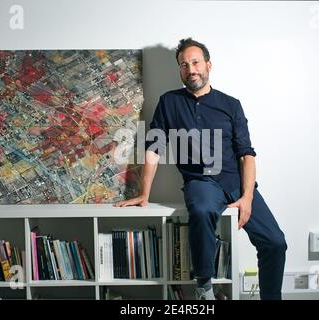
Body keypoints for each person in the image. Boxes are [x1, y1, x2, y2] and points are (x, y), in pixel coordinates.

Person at [114, 38, 287, 300]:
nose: (190, 69)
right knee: (203, 208)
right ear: (180, 70)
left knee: (275, 242)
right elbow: (153, 147)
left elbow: (247, 155)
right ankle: (204, 285)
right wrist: (144, 193)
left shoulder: (231, 105)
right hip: (201, 183)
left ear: (208, 64)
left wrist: (248, 197)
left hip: (236, 184)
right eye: (184, 65)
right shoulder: (169, 102)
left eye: (195, 62)